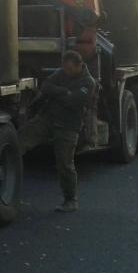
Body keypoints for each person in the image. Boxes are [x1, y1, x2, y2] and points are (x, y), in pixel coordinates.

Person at [20, 50, 95, 213]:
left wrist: (58, 93)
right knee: (21, 139)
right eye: (65, 68)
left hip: (68, 125)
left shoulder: (88, 82)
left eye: (70, 69)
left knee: (64, 163)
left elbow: (73, 101)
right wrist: (63, 91)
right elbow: (46, 86)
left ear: (80, 65)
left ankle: (70, 199)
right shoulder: (62, 73)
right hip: (48, 118)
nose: (66, 72)